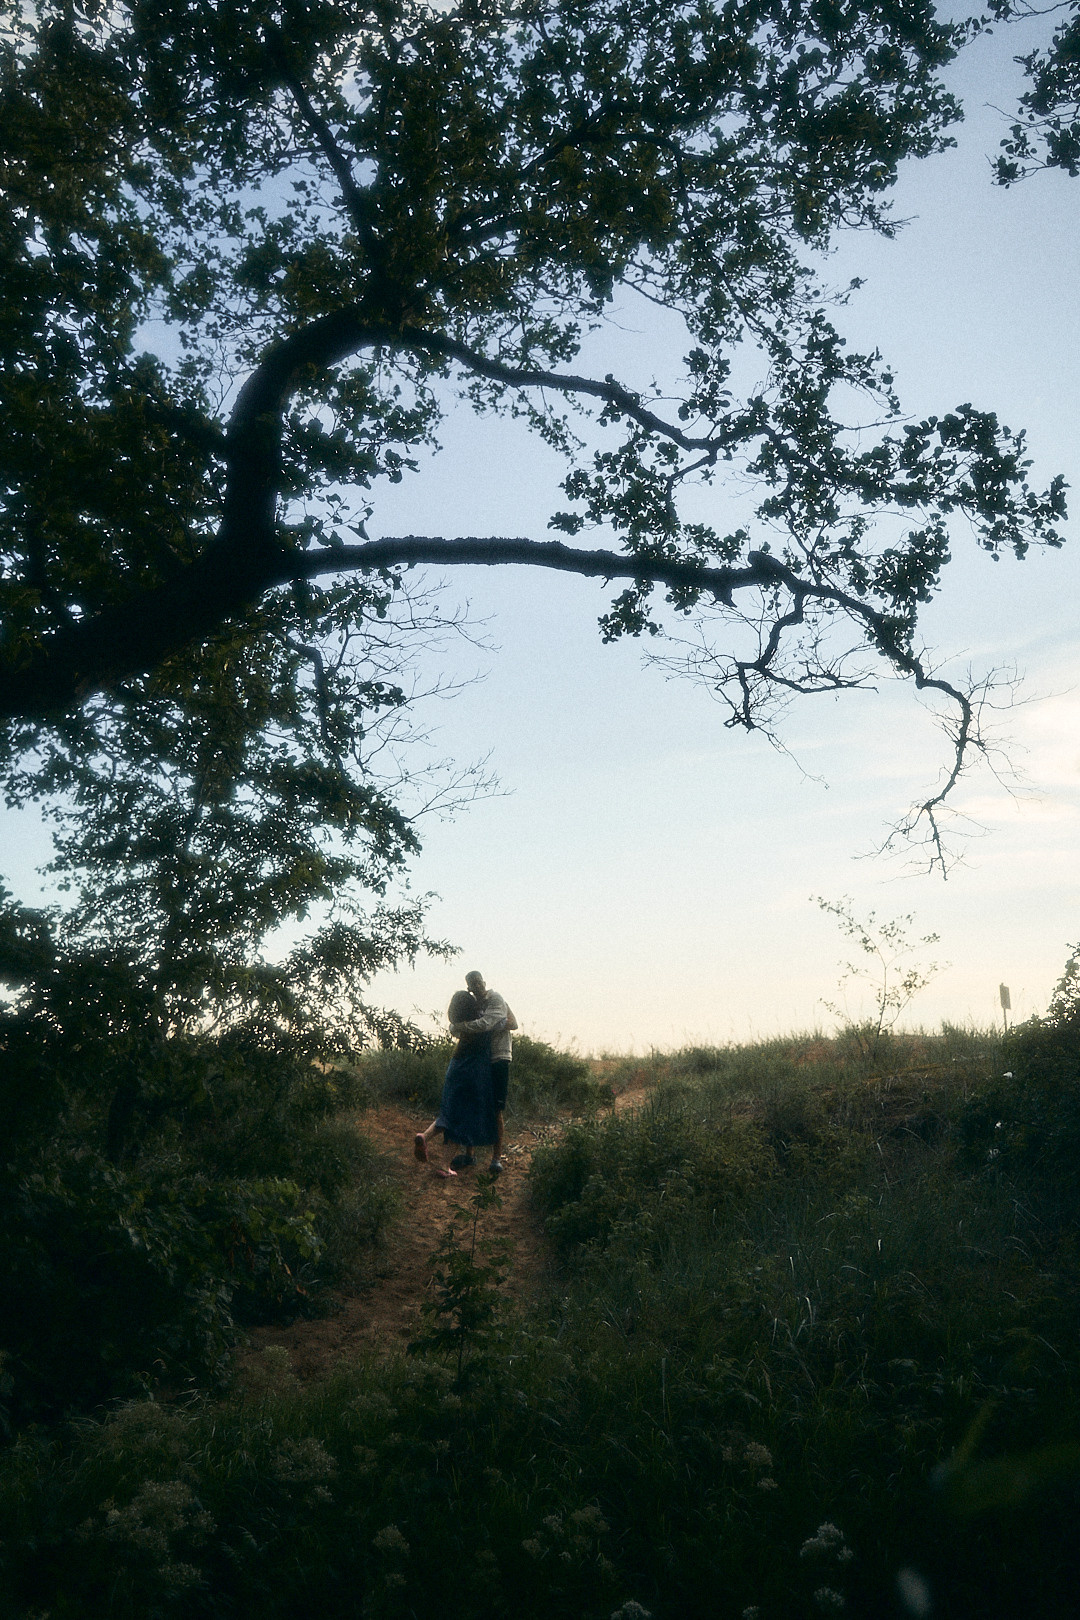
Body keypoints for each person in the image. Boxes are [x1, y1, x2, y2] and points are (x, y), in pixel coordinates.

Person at [413, 988, 502, 1179]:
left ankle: (424, 1136)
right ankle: (444, 1165)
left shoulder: (460, 1026)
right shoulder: (482, 1025)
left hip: (455, 1067)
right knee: (462, 1119)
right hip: (472, 1071)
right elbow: (509, 1022)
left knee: (449, 1113)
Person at [452, 970, 518, 1177]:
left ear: (484, 982)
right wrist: (457, 1027)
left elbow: (485, 1024)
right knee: (472, 1104)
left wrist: (460, 1027)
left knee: (496, 1109)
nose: (476, 986)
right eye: (472, 984)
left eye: (479, 982)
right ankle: (470, 1154)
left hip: (498, 1057)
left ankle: (496, 1159)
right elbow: (458, 1026)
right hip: (479, 1058)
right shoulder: (472, 1004)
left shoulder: (495, 999)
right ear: (469, 987)